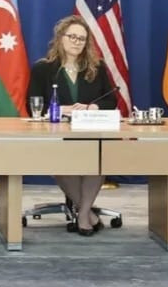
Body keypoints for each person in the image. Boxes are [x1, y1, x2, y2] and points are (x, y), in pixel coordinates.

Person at [27, 15, 117, 236]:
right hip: (57, 135)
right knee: (62, 162)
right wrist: (59, 110)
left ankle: (84, 213)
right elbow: (33, 104)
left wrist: (91, 107)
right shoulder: (43, 69)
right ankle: (88, 215)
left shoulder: (96, 67)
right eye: (72, 37)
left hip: (90, 133)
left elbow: (111, 100)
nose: (77, 42)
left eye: (82, 39)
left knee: (97, 160)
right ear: (61, 38)